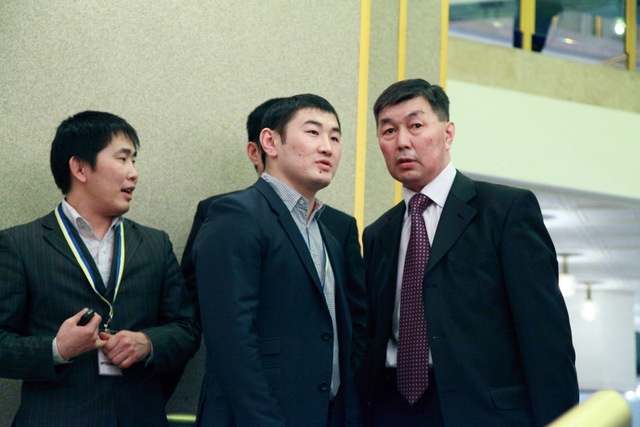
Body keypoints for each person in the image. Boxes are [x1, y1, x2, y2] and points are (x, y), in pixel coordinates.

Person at [358, 79, 578, 426]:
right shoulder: (377, 234)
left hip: (482, 413)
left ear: (448, 134)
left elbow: (546, 338)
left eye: (415, 126)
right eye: (389, 131)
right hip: (391, 410)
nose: (402, 142)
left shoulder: (505, 211)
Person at [0, 111, 200, 426]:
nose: (133, 173)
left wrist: (148, 343)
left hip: (140, 416)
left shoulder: (155, 243)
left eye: (134, 161)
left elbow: (187, 329)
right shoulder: (19, 244)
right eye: (122, 159)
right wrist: (57, 349)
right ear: (80, 168)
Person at [193, 94, 362, 426]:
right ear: (269, 142)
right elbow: (232, 342)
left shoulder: (327, 233)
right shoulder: (237, 214)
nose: (327, 147)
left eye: (335, 137)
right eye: (313, 132)